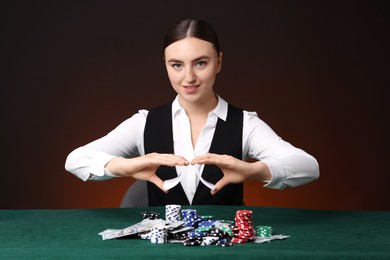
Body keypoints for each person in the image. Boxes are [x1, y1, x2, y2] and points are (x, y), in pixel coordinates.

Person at [65, 19, 319, 206]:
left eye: (200, 63)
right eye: (177, 65)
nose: (189, 77)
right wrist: (124, 166)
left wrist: (254, 171)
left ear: (218, 62)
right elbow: (76, 160)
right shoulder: (144, 122)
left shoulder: (245, 123)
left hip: (224, 252)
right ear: (165, 65)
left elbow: (308, 167)